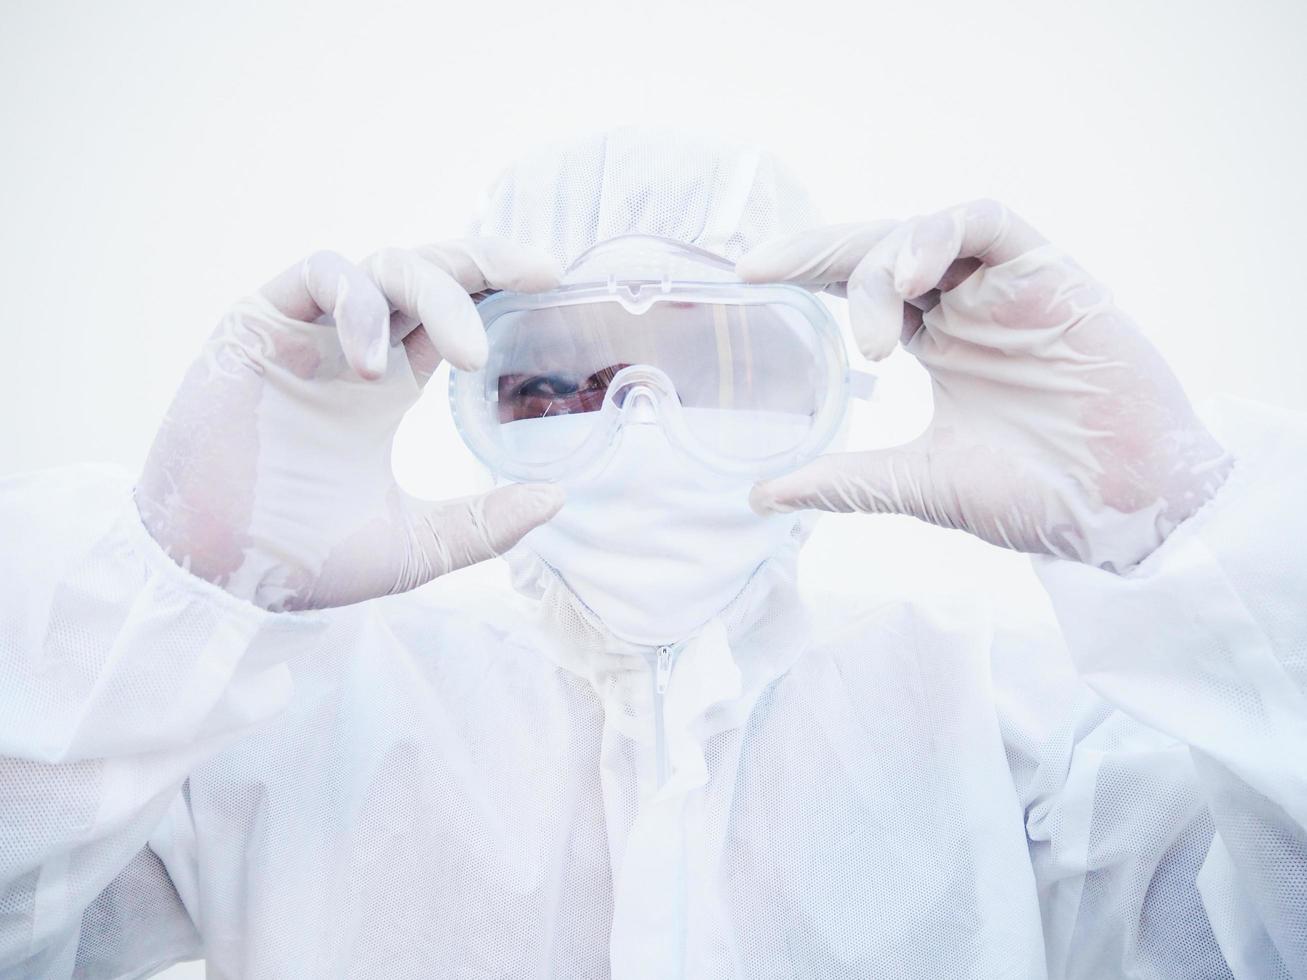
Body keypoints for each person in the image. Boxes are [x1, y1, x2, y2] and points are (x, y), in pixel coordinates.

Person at [1, 128, 1303, 979]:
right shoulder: (275, 742)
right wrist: (159, 599)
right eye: (562, 386)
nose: (641, 429)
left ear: (835, 380)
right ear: (471, 395)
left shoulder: (1019, 741)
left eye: (715, 371)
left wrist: (1191, 540)